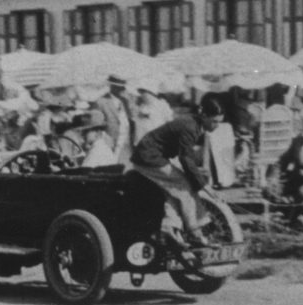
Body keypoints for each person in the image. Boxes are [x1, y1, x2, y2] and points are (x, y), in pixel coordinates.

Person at [130, 95, 224, 249]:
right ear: (204, 115)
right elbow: (186, 159)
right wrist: (204, 186)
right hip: (148, 158)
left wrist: (200, 181)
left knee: (175, 190)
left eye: (219, 122)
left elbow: (187, 159)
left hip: (153, 156)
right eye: (214, 121)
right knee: (184, 187)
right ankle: (195, 234)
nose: (216, 126)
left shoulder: (195, 125)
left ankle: (169, 227)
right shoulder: (190, 127)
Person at [95, 75, 136, 164]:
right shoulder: (101, 101)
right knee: (112, 163)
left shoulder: (126, 101)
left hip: (126, 141)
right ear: (112, 87)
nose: (122, 89)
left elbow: (131, 118)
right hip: (111, 140)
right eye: (118, 87)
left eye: (122, 87)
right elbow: (97, 124)